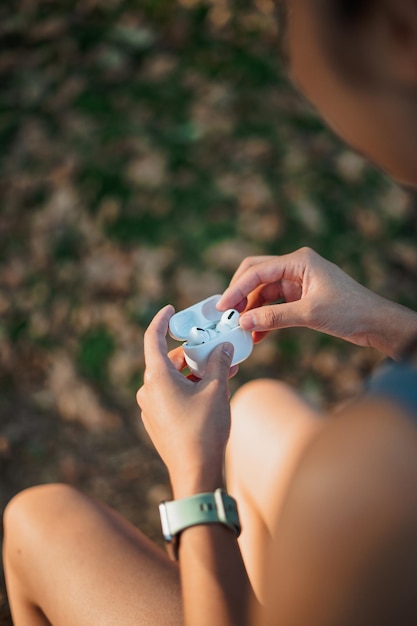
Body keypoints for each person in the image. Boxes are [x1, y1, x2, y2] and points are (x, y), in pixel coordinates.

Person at [3, 1, 417, 624]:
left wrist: (194, 474)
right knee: (255, 413)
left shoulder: (371, 479)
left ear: (398, 32)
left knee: (37, 520)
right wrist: (389, 325)